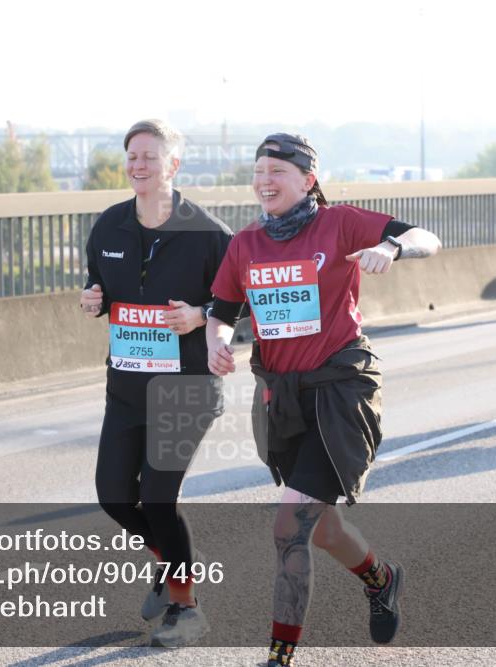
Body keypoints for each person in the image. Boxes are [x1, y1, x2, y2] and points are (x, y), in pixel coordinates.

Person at [206, 133, 441, 666]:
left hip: (339, 391)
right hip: (282, 396)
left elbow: (427, 236)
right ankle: (381, 579)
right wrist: (217, 344)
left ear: (307, 179)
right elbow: (222, 311)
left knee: (289, 524)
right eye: (259, 171)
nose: (265, 181)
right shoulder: (245, 244)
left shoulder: (339, 223)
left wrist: (391, 246)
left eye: (278, 172)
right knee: (322, 526)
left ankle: (279, 656)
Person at [80, 119, 232, 647]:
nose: (138, 165)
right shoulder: (109, 225)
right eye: (133, 156)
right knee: (115, 496)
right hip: (126, 387)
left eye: (150, 156)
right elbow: (97, 281)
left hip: (187, 387)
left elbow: (245, 306)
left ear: (173, 165)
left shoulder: (210, 234)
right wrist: (92, 298)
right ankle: (174, 562)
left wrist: (202, 315)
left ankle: (187, 607)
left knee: (160, 500)